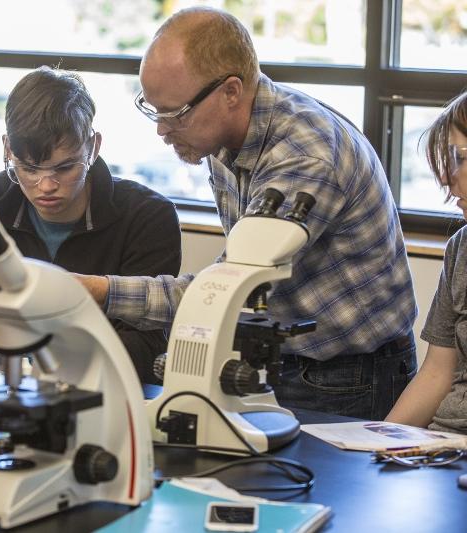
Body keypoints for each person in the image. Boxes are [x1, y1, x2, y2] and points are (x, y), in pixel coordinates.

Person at [78, 7, 417, 420]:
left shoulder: (304, 157)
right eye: (154, 110)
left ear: (232, 91)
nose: (161, 130)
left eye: (175, 114)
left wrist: (97, 290)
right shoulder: (219, 135)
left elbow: (223, 291)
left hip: (347, 374)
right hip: (280, 356)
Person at [0, 66, 182, 384]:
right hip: (3, 389)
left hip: (100, 398)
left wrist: (47, 355)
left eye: (64, 168)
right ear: (8, 149)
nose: (45, 186)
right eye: (29, 168)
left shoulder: (147, 218)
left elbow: (148, 348)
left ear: (93, 147)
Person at [386, 91, 467, 433]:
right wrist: (379, 443)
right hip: (444, 443)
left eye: (458, 158)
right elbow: (438, 371)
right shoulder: (460, 248)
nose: (447, 179)